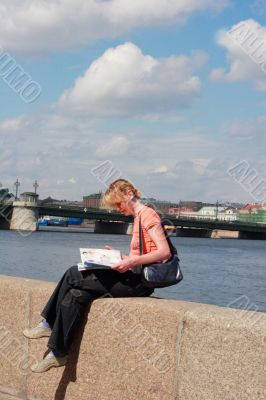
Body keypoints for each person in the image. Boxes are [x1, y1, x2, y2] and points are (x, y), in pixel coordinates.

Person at [23, 179, 171, 373]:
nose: (117, 209)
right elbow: (139, 255)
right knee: (75, 294)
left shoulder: (148, 215)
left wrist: (130, 262)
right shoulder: (138, 218)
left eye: (118, 204)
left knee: (73, 273)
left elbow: (164, 252)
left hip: (140, 283)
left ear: (129, 195)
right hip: (132, 274)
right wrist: (119, 257)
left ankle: (48, 323)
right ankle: (58, 354)